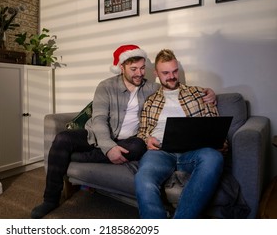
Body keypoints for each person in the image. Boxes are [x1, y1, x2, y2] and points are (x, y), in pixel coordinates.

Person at [31, 45, 216, 219]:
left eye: (142, 68)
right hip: (98, 135)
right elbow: (99, 120)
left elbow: (173, 89)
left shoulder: (152, 88)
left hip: (128, 141)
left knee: (137, 147)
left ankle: (72, 157)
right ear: (121, 67)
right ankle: (50, 200)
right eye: (134, 69)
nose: (139, 73)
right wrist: (109, 148)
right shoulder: (106, 86)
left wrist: (207, 92)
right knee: (62, 139)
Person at [135, 49, 226, 219]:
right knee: (143, 178)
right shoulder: (150, 101)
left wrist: (219, 143)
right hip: (160, 152)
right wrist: (147, 139)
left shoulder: (199, 94)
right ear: (156, 73)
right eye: (166, 73)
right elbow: (142, 131)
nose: (171, 76)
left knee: (214, 157)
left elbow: (215, 125)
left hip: (193, 152)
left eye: (175, 71)